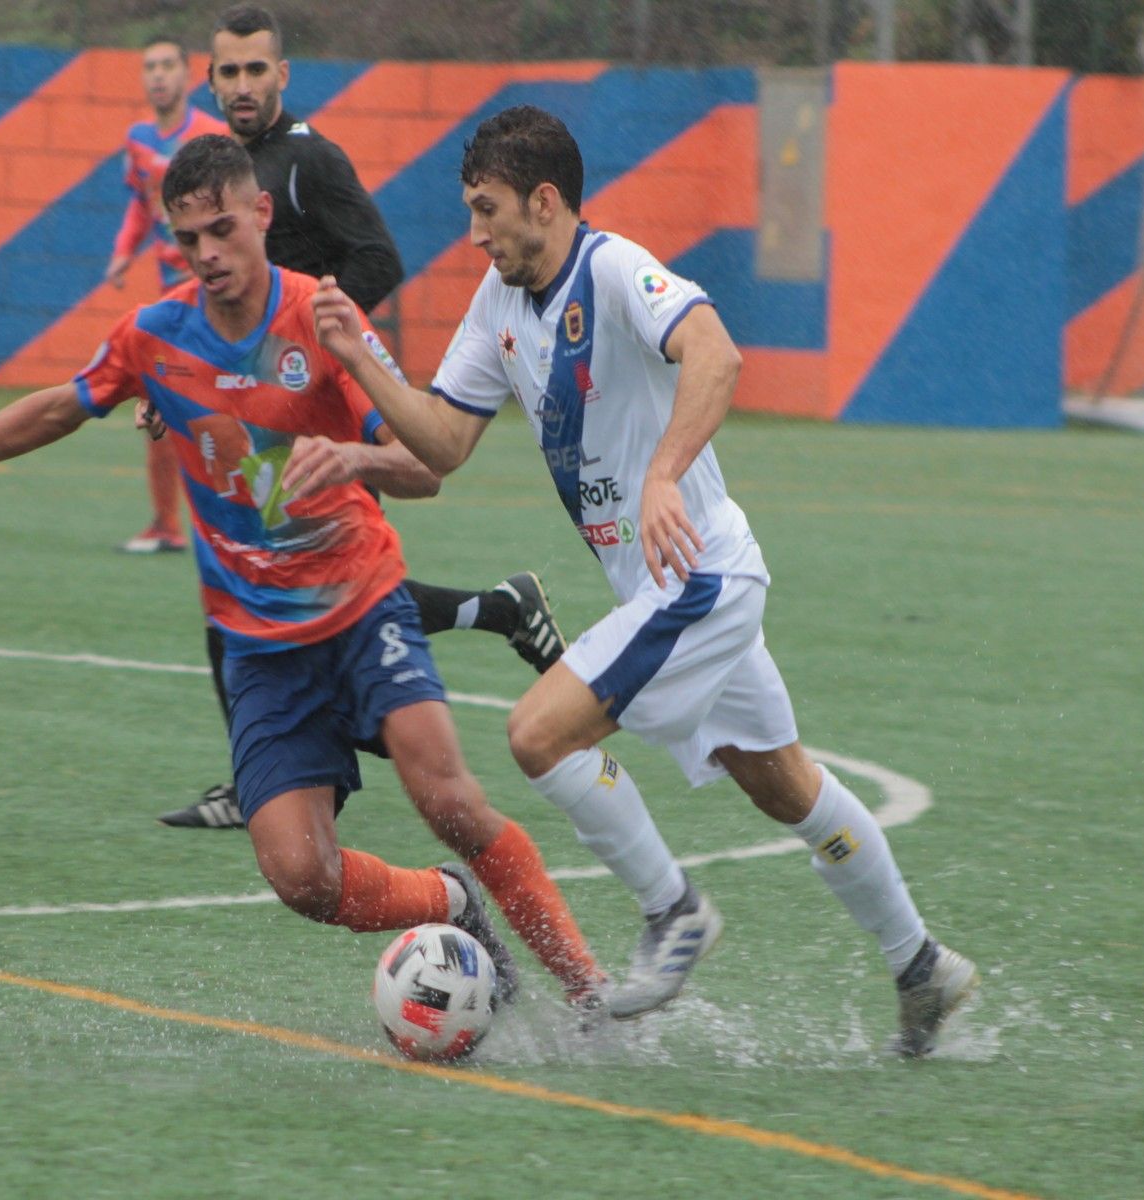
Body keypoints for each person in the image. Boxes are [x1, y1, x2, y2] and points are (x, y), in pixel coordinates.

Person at [0, 133, 607, 1014]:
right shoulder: (154, 337)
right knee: (302, 878)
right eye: (187, 239)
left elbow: (424, 466)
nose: (207, 254)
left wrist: (351, 459)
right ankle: (450, 904)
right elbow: (60, 407)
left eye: (221, 230)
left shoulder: (324, 321)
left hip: (364, 606)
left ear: (261, 215)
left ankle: (590, 994)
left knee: (448, 797)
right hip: (258, 646)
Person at [313, 105, 979, 1054]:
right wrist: (357, 394)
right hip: (664, 591)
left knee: (536, 733)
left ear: (544, 202)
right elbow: (440, 451)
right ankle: (923, 969)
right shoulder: (499, 304)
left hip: (699, 576)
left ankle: (674, 912)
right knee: (786, 786)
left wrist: (662, 474)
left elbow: (716, 352)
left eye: (487, 208)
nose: (474, 232)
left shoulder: (615, 269)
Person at [156, 4, 566, 832]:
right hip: (261, 413)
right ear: (212, 80)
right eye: (228, 72)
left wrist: (297, 358)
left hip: (317, 406)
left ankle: (272, 774)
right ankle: (499, 611)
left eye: (255, 70)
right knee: (280, 585)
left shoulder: (307, 159)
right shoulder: (225, 173)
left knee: (290, 590)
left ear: (283, 75)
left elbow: (378, 255)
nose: (242, 85)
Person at [106, 34, 222, 556]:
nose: (157, 75)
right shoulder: (138, 139)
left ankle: (223, 524)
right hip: (171, 291)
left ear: (187, 72)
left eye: (166, 65)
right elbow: (139, 200)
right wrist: (123, 251)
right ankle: (166, 524)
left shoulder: (214, 136)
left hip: (213, 290)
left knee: (204, 402)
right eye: (148, 66)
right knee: (159, 399)